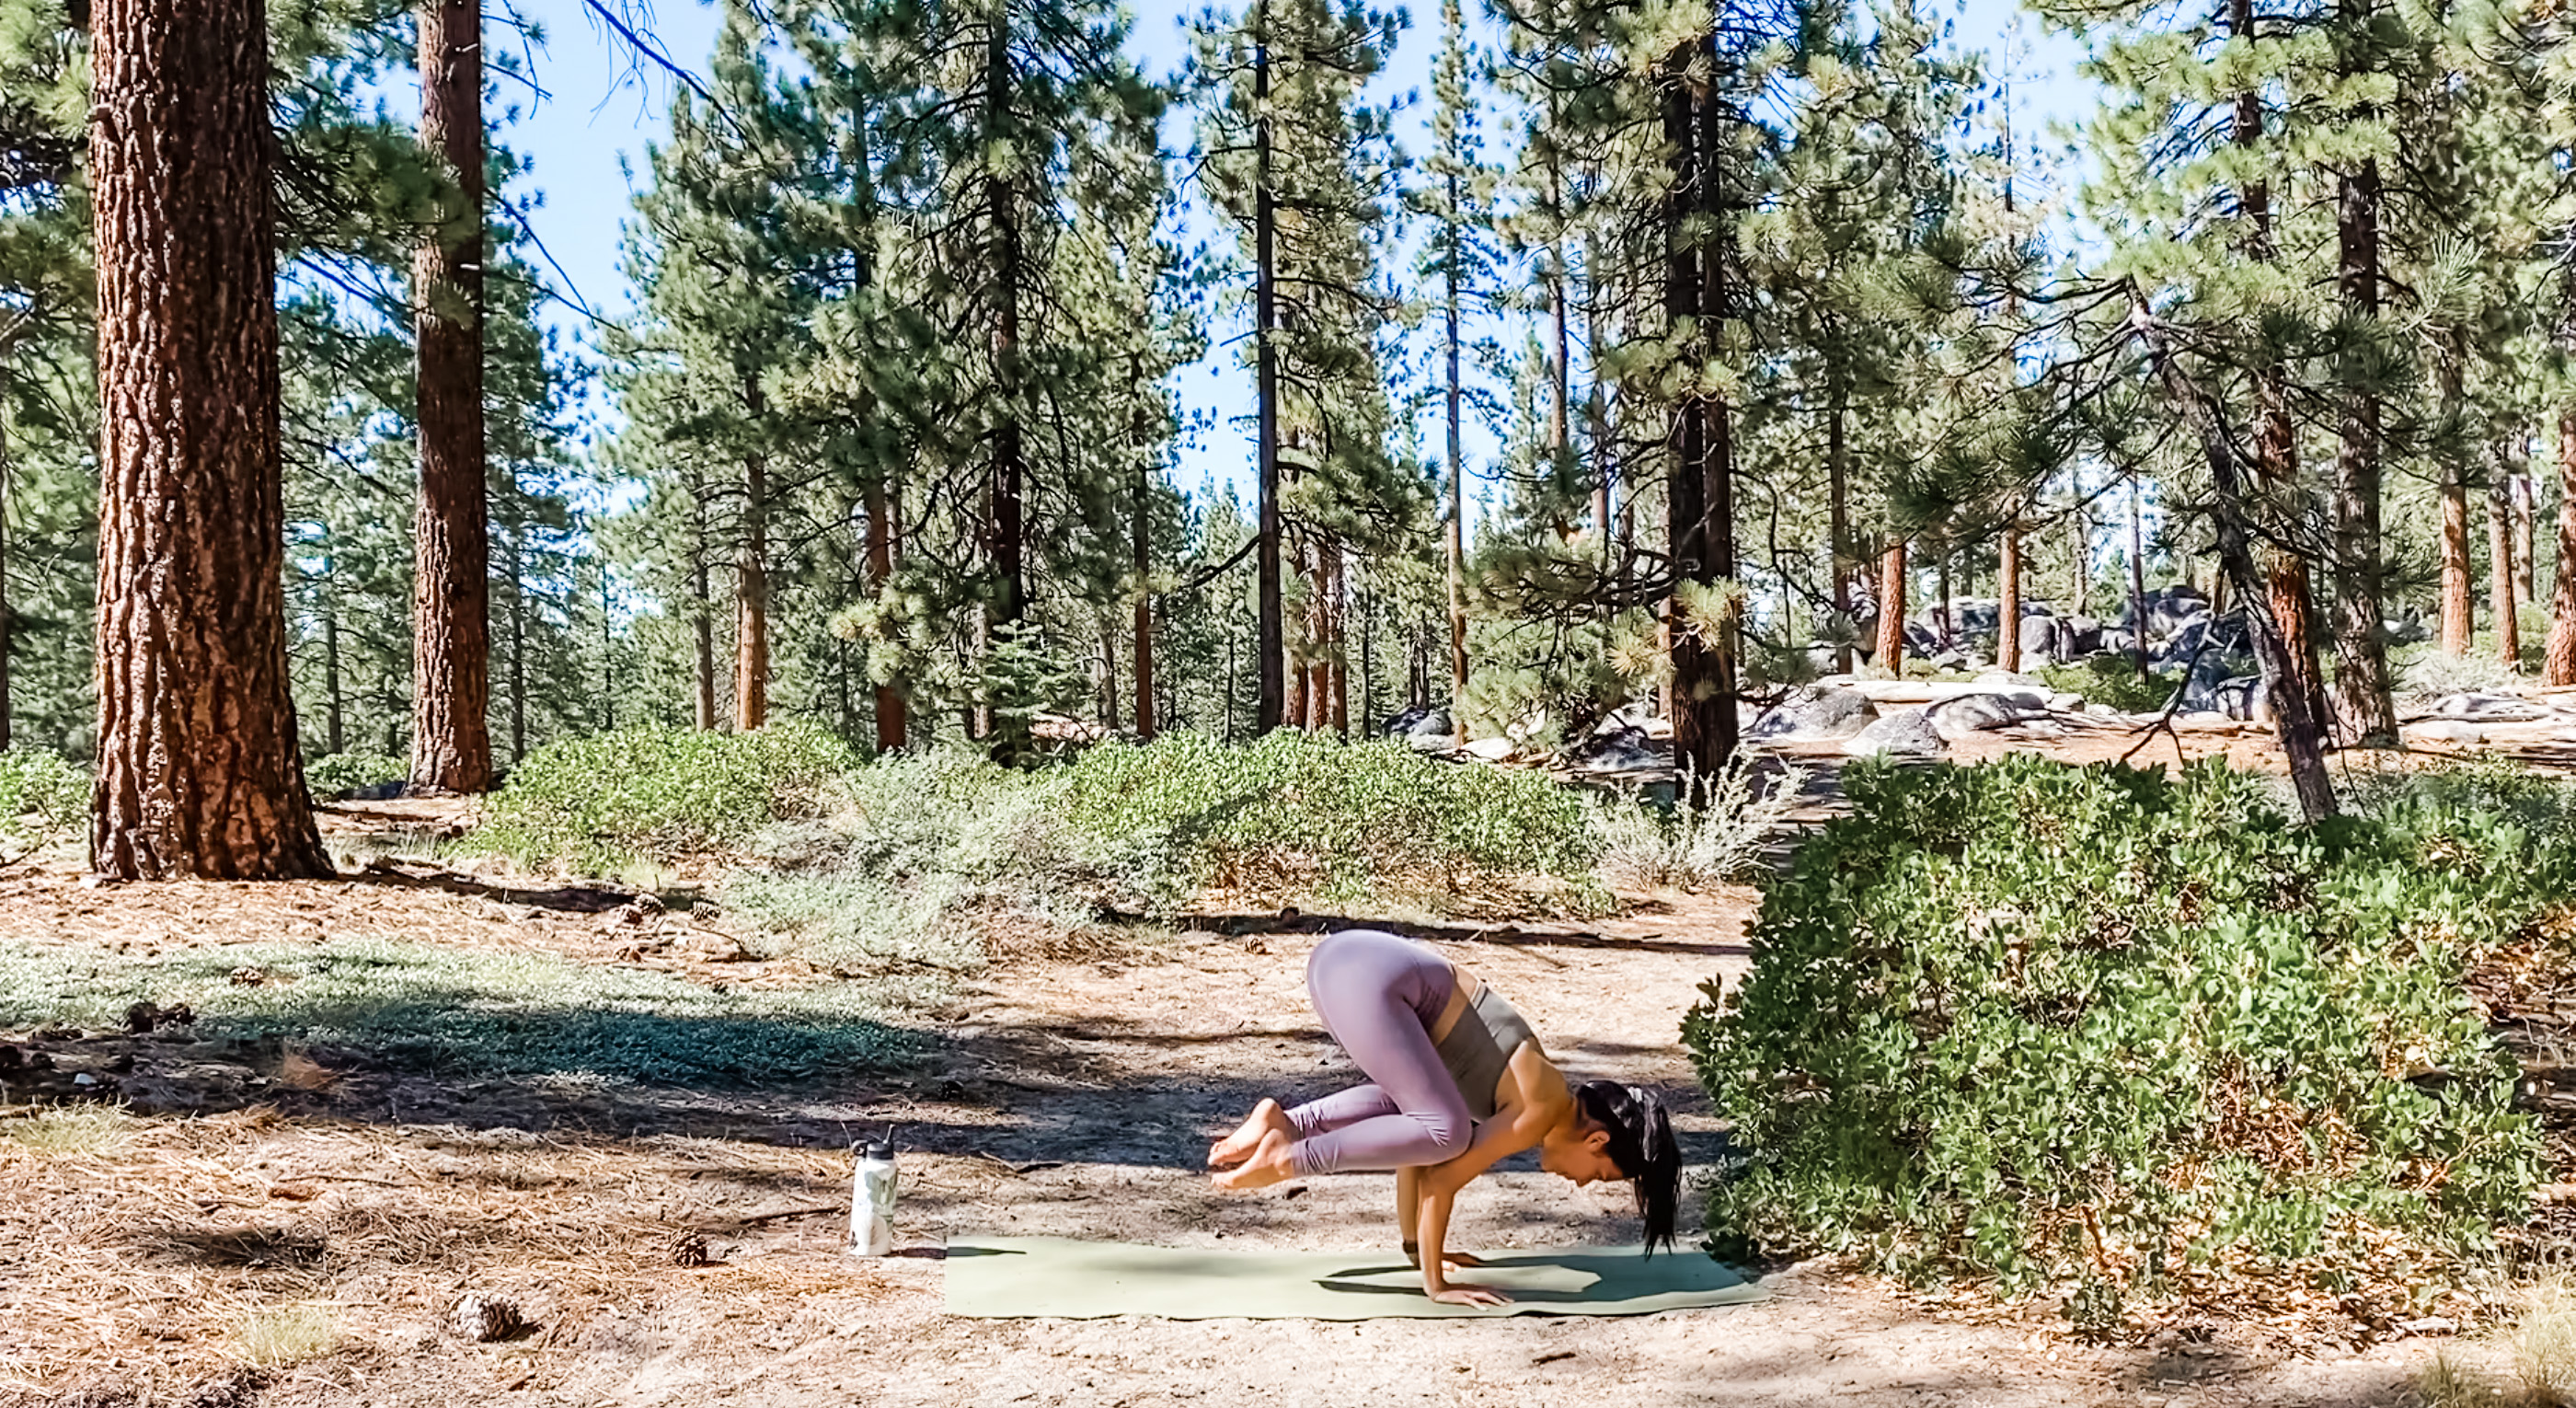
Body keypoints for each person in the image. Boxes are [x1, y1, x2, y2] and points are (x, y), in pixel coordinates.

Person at [1206, 928, 1682, 1306]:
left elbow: (1415, 1154)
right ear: (1596, 1141)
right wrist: (1435, 1285)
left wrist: (1418, 1250)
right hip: (1369, 978)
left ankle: (1287, 1124)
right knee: (1446, 1130)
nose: (1580, 1184)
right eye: (1596, 1176)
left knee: (1426, 1119)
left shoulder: (1530, 1085)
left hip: (1339, 961)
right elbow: (1441, 1180)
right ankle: (1289, 1157)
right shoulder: (1540, 1108)